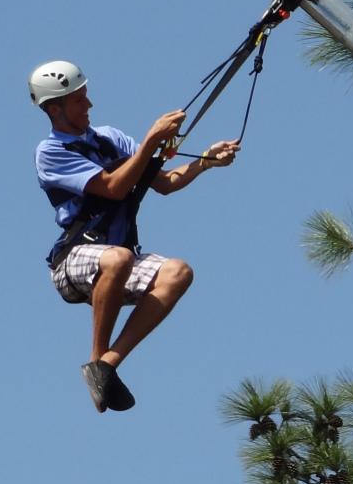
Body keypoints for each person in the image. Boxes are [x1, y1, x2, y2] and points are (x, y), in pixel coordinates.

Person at [30, 60, 239, 414]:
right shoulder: (51, 153)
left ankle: (107, 363)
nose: (89, 105)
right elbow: (113, 188)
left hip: (117, 258)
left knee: (178, 272)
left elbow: (165, 183)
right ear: (55, 109)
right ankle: (96, 358)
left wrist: (204, 162)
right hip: (74, 260)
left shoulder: (111, 138)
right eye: (79, 101)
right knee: (119, 257)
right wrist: (150, 143)